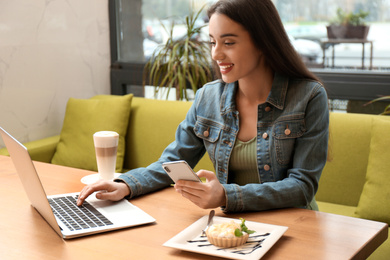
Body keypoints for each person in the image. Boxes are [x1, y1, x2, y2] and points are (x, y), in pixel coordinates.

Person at [77, 0, 329, 212]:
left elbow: (302, 186)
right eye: (212, 42)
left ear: (263, 42)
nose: (216, 54)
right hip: (230, 228)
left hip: (294, 225)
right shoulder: (207, 98)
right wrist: (126, 184)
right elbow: (173, 161)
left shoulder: (309, 97)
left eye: (228, 43)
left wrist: (226, 197)